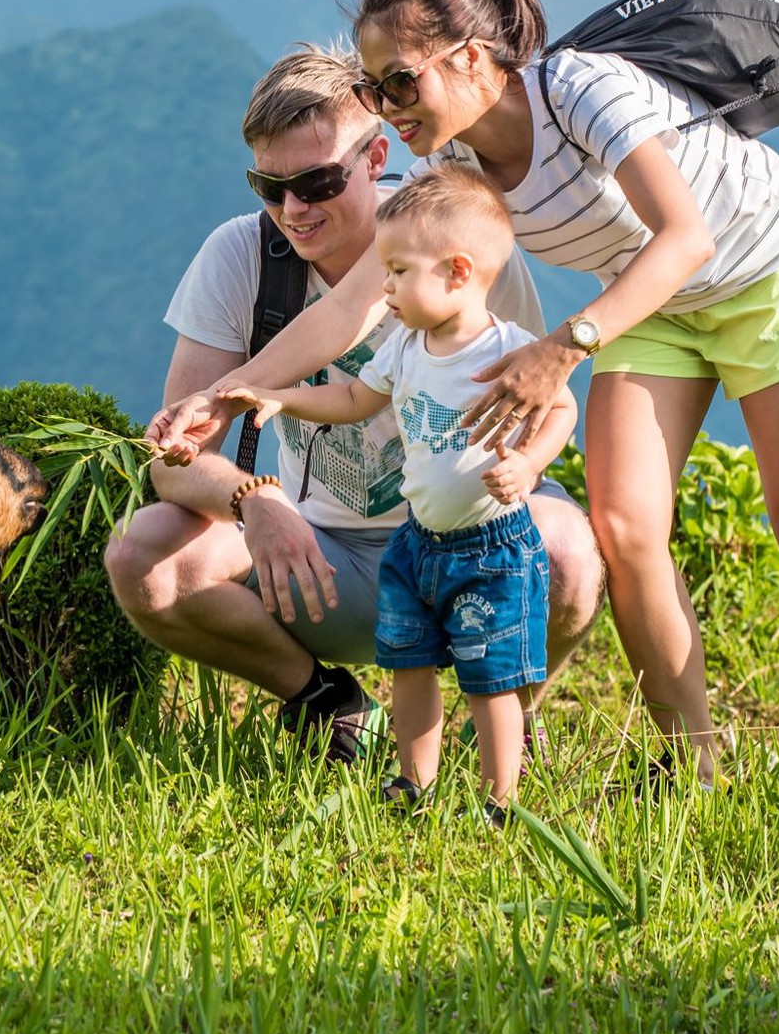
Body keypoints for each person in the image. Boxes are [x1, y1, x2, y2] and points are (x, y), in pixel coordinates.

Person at [151, 0, 779, 816]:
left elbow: (686, 238)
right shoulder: (453, 163)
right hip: (648, 303)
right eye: (374, 88)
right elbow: (353, 307)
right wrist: (232, 391)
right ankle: (697, 773)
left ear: (468, 56)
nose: (389, 108)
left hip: (763, 271)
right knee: (623, 525)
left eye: (399, 81)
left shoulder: (582, 91)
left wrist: (566, 346)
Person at [104, 45, 603, 764]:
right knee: (143, 551)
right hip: (326, 560)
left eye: (318, 182)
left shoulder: (458, 247)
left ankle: (501, 716)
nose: (293, 210)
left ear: (375, 160)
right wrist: (255, 501)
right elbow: (175, 462)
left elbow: (537, 402)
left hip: (472, 546)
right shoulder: (238, 257)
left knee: (568, 553)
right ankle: (325, 701)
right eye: (269, 187)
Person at [221, 166, 575, 817]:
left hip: (491, 541)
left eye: (399, 272)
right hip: (419, 542)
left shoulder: (508, 349)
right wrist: (279, 395)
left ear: (458, 273)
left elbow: (560, 411)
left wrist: (528, 467)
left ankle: (501, 799)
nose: (383, 287)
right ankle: (415, 782)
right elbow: (354, 398)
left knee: (491, 676)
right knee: (409, 664)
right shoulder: (406, 347)